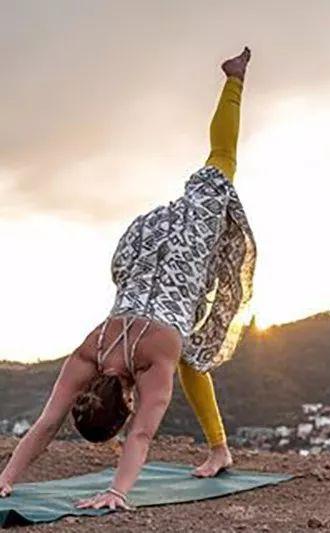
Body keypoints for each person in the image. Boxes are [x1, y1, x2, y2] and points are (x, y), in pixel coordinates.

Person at [0, 47, 256, 511]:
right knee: (194, 355)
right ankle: (220, 449)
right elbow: (49, 422)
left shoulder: (152, 358)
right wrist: (3, 479)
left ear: (127, 403)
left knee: (222, 160)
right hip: (148, 247)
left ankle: (235, 79)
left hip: (187, 248)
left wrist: (117, 491)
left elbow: (141, 434)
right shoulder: (88, 349)